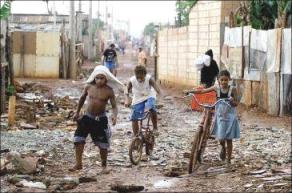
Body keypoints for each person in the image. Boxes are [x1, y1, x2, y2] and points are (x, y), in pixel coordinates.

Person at [69, 65, 124, 174]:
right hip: (87, 117)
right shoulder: (89, 87)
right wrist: (77, 112)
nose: (99, 80)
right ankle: (78, 164)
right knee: (78, 139)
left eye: (101, 78)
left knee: (103, 144)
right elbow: (82, 98)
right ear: (94, 78)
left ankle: (104, 166)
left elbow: (114, 106)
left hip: (100, 119)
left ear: (106, 79)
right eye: (97, 78)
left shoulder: (109, 91)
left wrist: (114, 115)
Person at [185, 70, 240, 164]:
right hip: (220, 116)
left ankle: (229, 161)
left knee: (229, 139)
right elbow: (202, 91)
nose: (223, 82)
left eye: (226, 80)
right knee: (221, 138)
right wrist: (190, 91)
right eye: (221, 80)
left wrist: (232, 101)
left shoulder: (233, 89)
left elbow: (236, 103)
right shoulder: (216, 88)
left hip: (230, 116)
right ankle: (223, 147)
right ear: (218, 80)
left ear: (229, 80)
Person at [124, 65, 161, 137]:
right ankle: (136, 136)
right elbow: (126, 90)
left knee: (151, 107)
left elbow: (157, 89)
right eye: (138, 77)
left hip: (149, 95)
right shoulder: (132, 80)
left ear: (145, 74)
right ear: (135, 75)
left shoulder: (149, 79)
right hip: (138, 97)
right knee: (134, 116)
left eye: (142, 77)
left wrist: (159, 99)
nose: (140, 79)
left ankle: (155, 128)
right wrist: (126, 100)